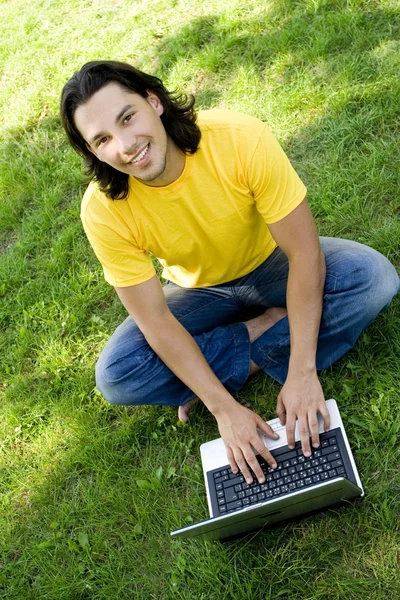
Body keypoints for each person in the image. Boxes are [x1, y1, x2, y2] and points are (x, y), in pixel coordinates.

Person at [60, 60, 399, 487]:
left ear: (154, 102)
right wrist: (222, 407)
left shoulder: (239, 138)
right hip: (197, 290)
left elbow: (304, 254)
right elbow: (157, 322)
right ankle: (270, 326)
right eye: (104, 139)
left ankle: (244, 349)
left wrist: (302, 372)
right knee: (118, 375)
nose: (126, 145)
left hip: (270, 263)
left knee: (373, 277)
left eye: (127, 118)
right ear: (93, 152)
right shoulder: (102, 210)